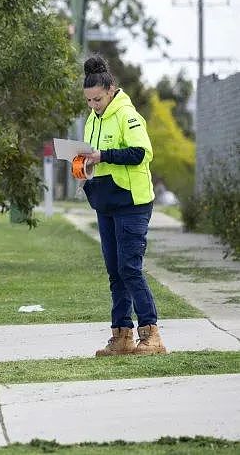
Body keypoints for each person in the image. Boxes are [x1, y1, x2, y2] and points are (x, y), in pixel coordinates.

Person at [80, 55, 167, 357]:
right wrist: (82, 167)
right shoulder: (93, 119)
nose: (94, 105)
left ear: (111, 89)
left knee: (130, 268)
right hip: (105, 202)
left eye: (98, 99)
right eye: (89, 100)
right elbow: (94, 157)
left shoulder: (127, 114)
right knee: (115, 271)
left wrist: (103, 156)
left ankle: (151, 335)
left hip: (132, 202)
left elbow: (141, 153)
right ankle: (121, 336)